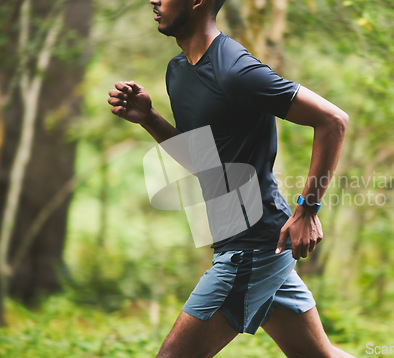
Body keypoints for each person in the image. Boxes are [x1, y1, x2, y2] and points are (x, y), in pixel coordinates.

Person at [108, 0, 354, 357]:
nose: (154, 0)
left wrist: (307, 210)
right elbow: (204, 162)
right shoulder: (178, 70)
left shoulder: (235, 70)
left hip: (251, 246)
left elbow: (333, 120)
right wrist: (149, 118)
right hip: (249, 241)